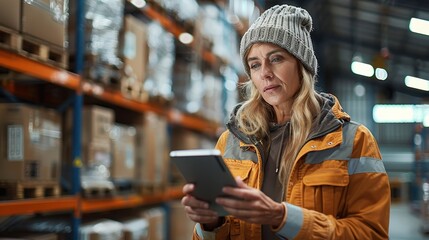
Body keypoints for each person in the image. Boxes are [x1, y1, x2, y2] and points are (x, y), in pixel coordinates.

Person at [181, 4, 390, 239]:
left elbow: (371, 234)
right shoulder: (231, 142)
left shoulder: (354, 141)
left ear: (303, 65)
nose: (265, 73)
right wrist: (210, 224)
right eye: (255, 64)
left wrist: (282, 218)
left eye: (276, 58)